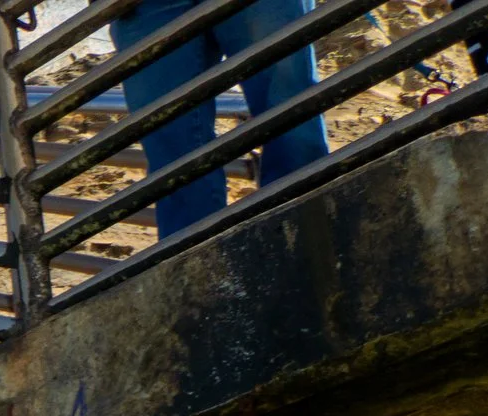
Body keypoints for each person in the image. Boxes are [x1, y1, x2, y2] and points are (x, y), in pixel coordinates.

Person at [110, 0, 333, 238]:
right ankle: (195, 266)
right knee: (171, 153)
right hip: (146, 6)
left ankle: (309, 251)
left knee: (292, 124)